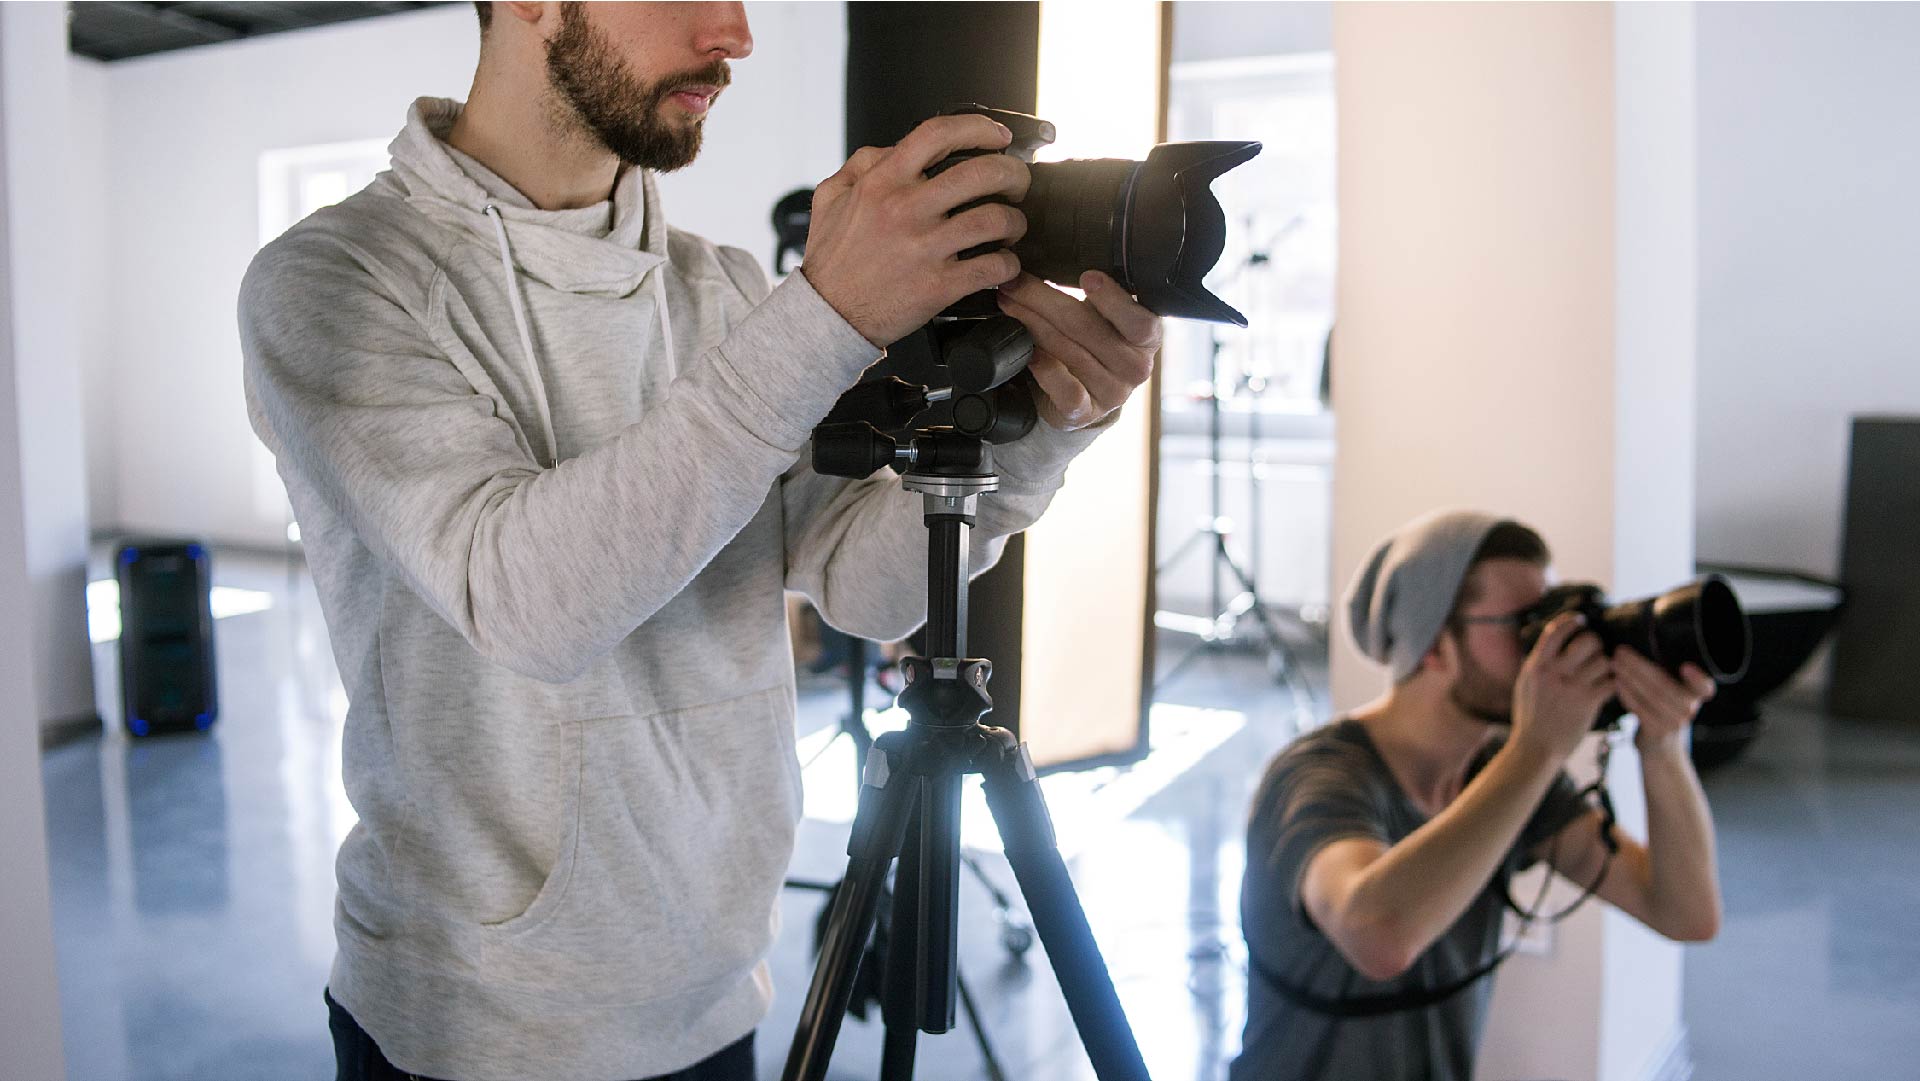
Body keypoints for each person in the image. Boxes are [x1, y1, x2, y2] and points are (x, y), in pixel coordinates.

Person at [238, 4, 1163, 1079]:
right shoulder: (336, 279)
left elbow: (868, 588)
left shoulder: (719, 288)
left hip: (719, 988)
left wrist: (1048, 426)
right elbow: (526, 606)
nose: (735, 33)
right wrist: (823, 315)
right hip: (481, 1027)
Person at [1231, 511, 1723, 1081]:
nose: (1546, 649)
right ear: (1435, 643)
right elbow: (1378, 936)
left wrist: (1662, 746)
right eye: (1524, 625)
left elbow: (1685, 912)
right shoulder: (1319, 777)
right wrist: (1537, 749)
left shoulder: (1507, 774)